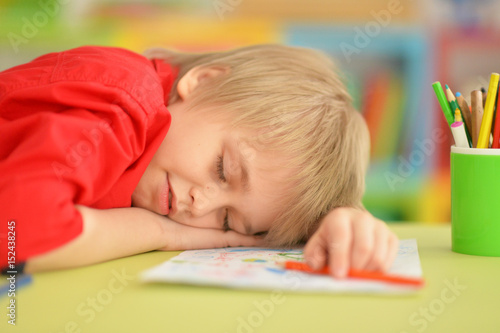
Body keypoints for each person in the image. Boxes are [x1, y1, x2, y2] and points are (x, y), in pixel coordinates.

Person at [0, 44, 398, 276]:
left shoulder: (162, 139)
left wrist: (342, 216)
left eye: (228, 221)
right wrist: (160, 233)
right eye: (223, 170)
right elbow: (16, 234)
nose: (200, 206)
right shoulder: (123, 106)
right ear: (204, 82)